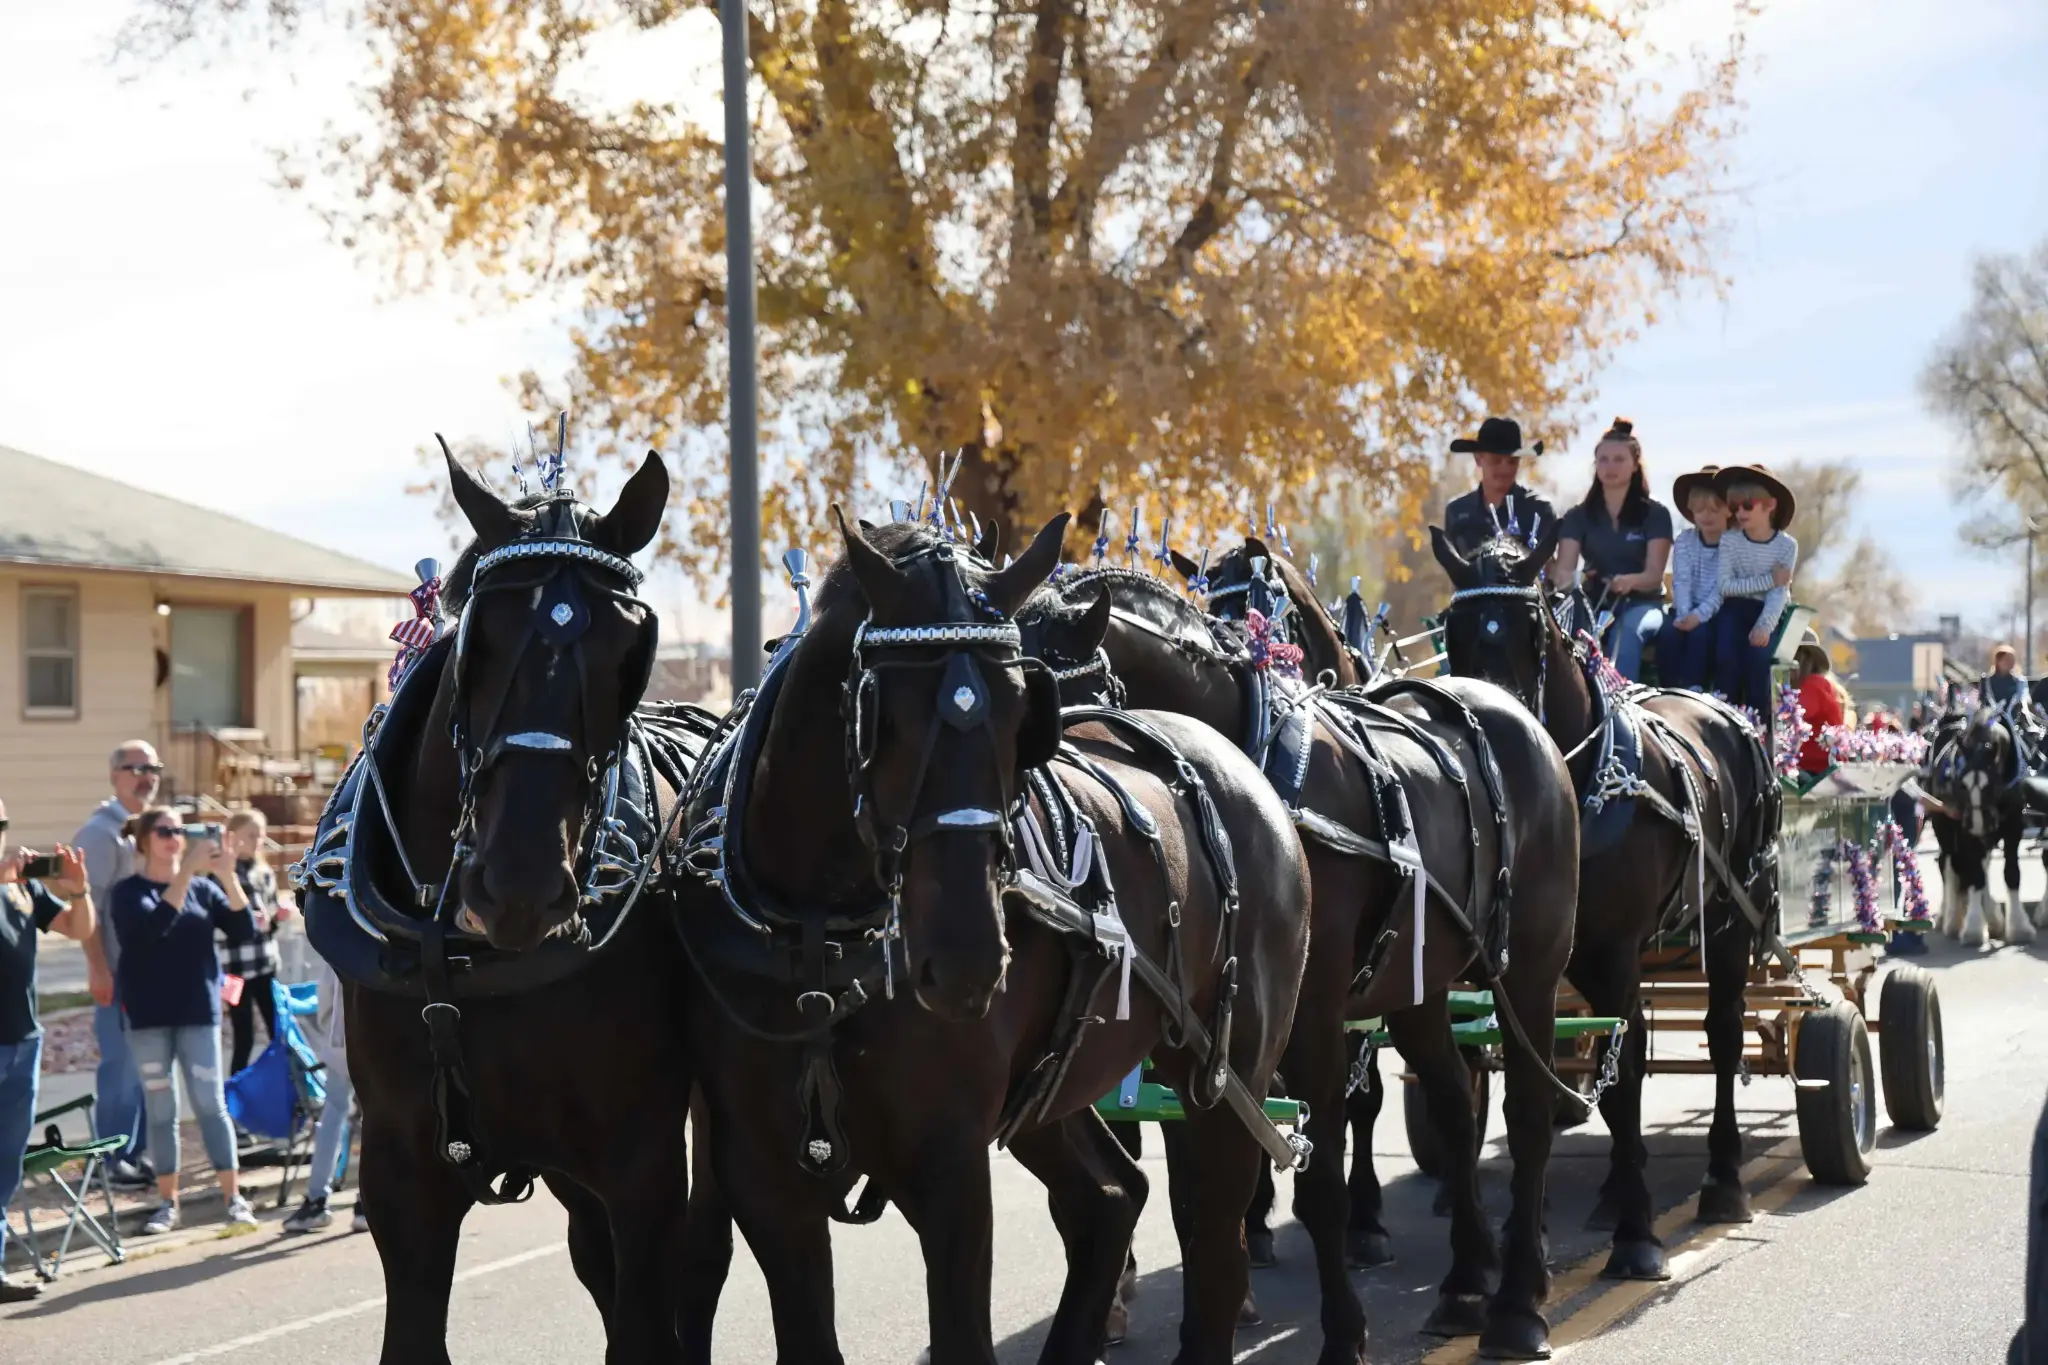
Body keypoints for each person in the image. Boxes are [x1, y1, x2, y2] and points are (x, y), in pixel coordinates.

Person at [109, 808, 259, 1235]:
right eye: (164, 831)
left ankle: (234, 1199)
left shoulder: (203, 889)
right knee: (161, 1111)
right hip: (148, 1020)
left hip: (198, 1015)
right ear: (143, 841)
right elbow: (149, 930)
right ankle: (166, 1205)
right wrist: (187, 872)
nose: (174, 838)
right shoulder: (127, 893)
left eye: (179, 830)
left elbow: (245, 930)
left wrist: (227, 876)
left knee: (211, 1106)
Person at [0, 801, 96, 1303]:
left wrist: (77, 888)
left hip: (22, 1041)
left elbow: (79, 929)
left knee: (5, 1162)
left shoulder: (21, 886)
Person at [73, 741, 162, 1190]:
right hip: (119, 975)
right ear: (114, 776)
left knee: (145, 1070)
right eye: (136, 768)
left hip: (150, 977)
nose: (146, 776)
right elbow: (84, 908)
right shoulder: (100, 833)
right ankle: (111, 1160)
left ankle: (136, 1154)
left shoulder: (147, 828)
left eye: (153, 768)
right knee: (120, 1070)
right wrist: (98, 968)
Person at [1555, 418, 1674, 681]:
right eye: (1604, 460)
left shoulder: (1656, 514)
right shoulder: (1577, 516)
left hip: (1643, 605)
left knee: (1627, 631)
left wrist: (1628, 581)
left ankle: (1620, 705)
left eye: (1619, 459)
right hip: (1593, 603)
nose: (1610, 466)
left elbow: (1654, 575)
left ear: (1634, 465)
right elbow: (1564, 570)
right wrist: (1570, 581)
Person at [282, 956, 366, 1236]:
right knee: (374, 1120)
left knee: (333, 1118)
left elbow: (325, 1001)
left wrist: (334, 1036)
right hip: (373, 1044)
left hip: (342, 1043)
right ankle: (366, 1201)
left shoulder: (338, 942)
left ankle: (317, 1199)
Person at [1711, 464, 1800, 712]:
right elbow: (1726, 586)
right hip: (1734, 608)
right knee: (1726, 657)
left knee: (1759, 659)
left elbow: (1779, 593)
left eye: (1747, 505)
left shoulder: (1786, 546)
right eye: (1734, 506)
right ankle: (1723, 716)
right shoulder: (1730, 540)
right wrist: (1771, 579)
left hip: (1768, 610)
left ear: (1770, 505)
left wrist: (1764, 626)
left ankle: (1759, 726)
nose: (1740, 512)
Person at [215, 809, 291, 1078]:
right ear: (232, 837)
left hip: (265, 964)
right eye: (252, 834)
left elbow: (269, 923)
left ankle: (286, 1087)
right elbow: (214, 927)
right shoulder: (219, 875)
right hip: (233, 972)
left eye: (261, 834)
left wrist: (276, 917)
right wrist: (244, 923)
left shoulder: (263, 872)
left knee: (277, 1029)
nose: (259, 840)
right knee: (242, 1034)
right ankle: (236, 1091)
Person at [1441, 416, 1557, 560]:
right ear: (1478, 459)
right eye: (1496, 461)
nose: (1505, 469)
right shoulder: (1457, 511)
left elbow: (1548, 569)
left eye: (1512, 462)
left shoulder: (1538, 509)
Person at [1656, 465, 1727, 690]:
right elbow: (1682, 580)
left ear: (1728, 511)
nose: (1706, 516)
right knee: (1668, 633)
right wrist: (1685, 613)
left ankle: (1694, 686)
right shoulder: (1685, 540)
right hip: (1686, 608)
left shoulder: (1733, 544)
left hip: (1716, 609)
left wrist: (1698, 616)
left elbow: (1723, 588)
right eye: (1700, 510)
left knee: (1701, 634)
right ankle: (1667, 688)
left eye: (1714, 510)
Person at [1791, 631, 1844, 775]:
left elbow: (1792, 715)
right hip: (1809, 765)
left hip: (1817, 769)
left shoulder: (1814, 684)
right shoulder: (1816, 683)